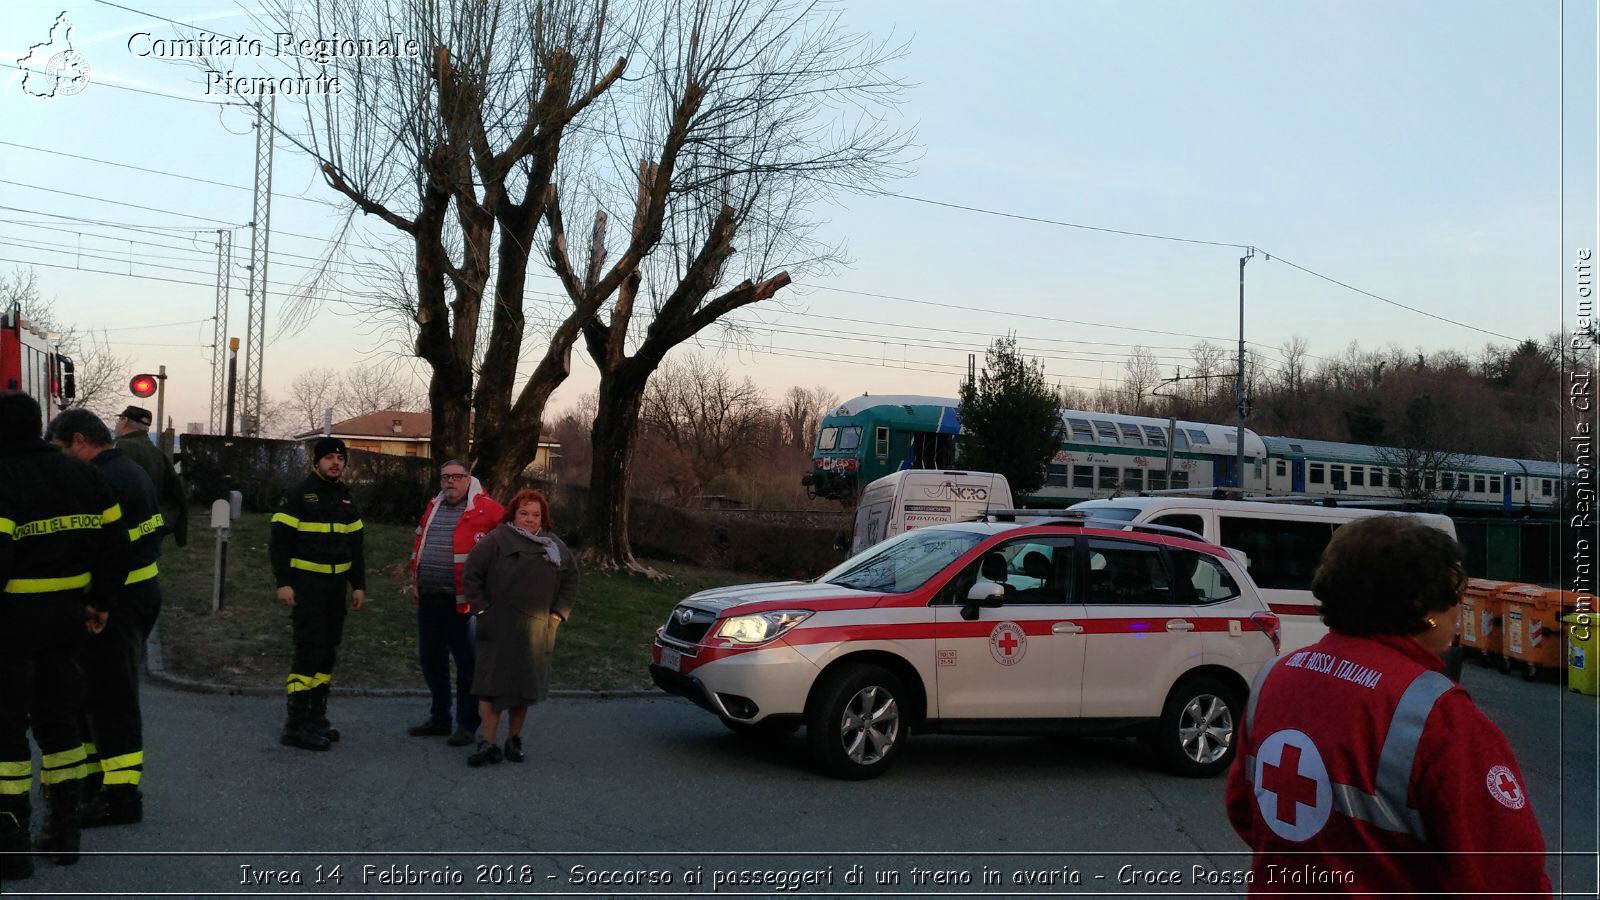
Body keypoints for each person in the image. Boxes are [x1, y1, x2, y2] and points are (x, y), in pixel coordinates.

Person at [1225, 515, 1550, 896]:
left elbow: (1245, 809)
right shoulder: (1440, 717)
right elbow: (1506, 876)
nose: (1457, 615)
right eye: (1453, 599)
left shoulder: (1274, 677)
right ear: (1420, 607)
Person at [0, 393, 127, 879]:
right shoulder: (86, 475)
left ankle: (9, 842)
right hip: (69, 617)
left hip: (11, 620)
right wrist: (101, 603)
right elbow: (117, 546)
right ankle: (63, 831)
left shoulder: (5, 478)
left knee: (6, 725)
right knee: (61, 721)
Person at [46, 409, 163, 828]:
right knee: (95, 694)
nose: (59, 459)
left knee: (112, 699)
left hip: (117, 602)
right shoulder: (129, 470)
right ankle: (98, 782)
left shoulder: (103, 481)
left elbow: (102, 552)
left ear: (79, 441)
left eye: (60, 449)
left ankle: (121, 797)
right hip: (138, 594)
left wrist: (97, 603)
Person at [460, 488, 577, 767]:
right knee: (491, 685)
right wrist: (482, 608)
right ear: (513, 514)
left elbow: (571, 579)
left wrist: (558, 615)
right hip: (498, 625)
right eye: (524, 513)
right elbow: (471, 573)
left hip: (536, 629)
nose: (529, 519)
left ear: (543, 518)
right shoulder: (497, 540)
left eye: (536, 515)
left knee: (523, 687)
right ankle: (487, 743)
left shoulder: (554, 546)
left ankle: (514, 739)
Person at [269, 437, 365, 752]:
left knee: (327, 652)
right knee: (308, 652)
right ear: (316, 461)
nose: (336, 462)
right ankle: (295, 725)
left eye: (340, 457)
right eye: (329, 458)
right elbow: (279, 543)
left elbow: (356, 547)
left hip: (336, 592)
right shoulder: (298, 496)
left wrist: (359, 584)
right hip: (307, 589)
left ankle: (316, 718)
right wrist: (283, 582)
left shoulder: (347, 499)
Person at [407, 459, 503, 746]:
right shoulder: (433, 506)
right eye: (444, 477)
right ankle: (439, 718)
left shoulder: (488, 510)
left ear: (468, 478)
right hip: (430, 598)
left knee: (467, 664)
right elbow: (420, 543)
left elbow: (510, 546)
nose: (450, 482)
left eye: (456, 477)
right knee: (430, 660)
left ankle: (466, 722)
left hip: (464, 603)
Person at [113, 406, 187, 551]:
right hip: (152, 529)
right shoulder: (157, 454)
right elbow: (177, 493)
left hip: (127, 532)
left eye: (119, 419)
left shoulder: (122, 448)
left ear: (125, 420)